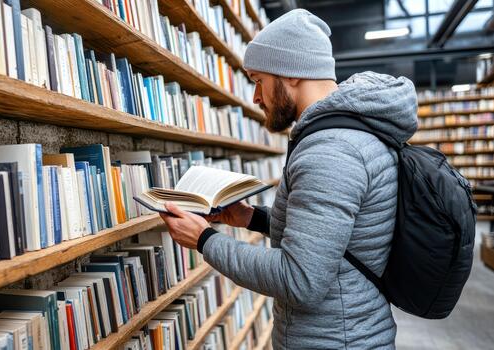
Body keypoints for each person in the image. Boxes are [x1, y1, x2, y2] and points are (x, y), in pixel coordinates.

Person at [158, 9, 418, 349]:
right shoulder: (346, 133)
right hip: (347, 330)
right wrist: (253, 218)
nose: (255, 97)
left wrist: (205, 239)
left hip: (335, 339)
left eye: (258, 80)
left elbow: (301, 280)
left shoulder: (331, 151)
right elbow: (333, 239)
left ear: (292, 73)